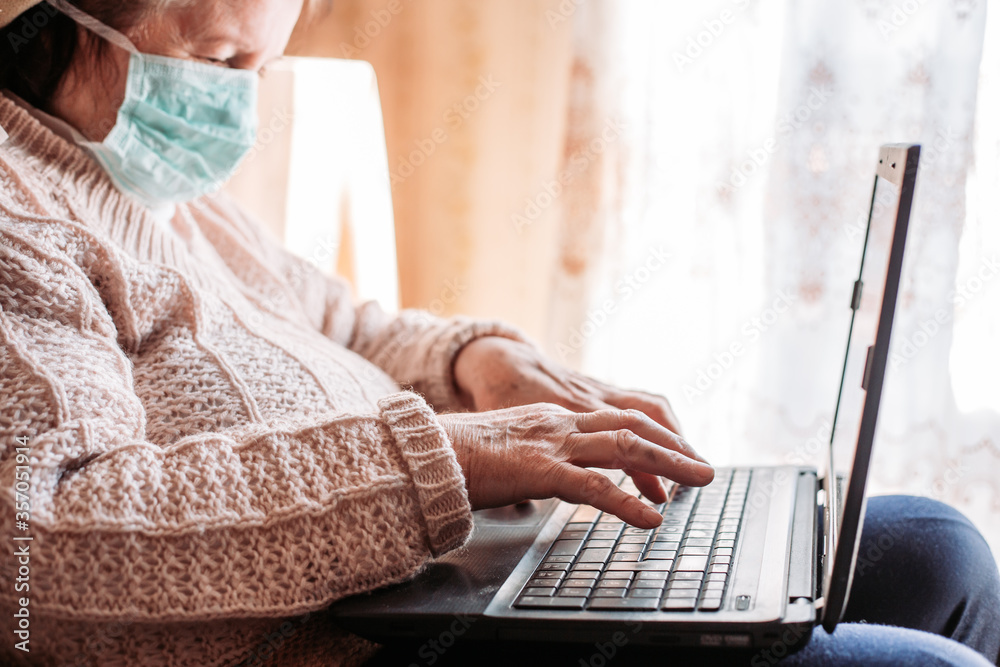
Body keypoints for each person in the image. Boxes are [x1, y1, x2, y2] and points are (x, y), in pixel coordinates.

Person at [0, 1, 996, 666]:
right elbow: (42, 553)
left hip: (443, 572)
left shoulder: (169, 194)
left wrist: (471, 360)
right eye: (219, 60)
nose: (237, 101)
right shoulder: (20, 213)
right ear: (58, 18)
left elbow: (347, 323)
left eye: (263, 62)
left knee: (938, 550)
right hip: (339, 644)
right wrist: (444, 460)